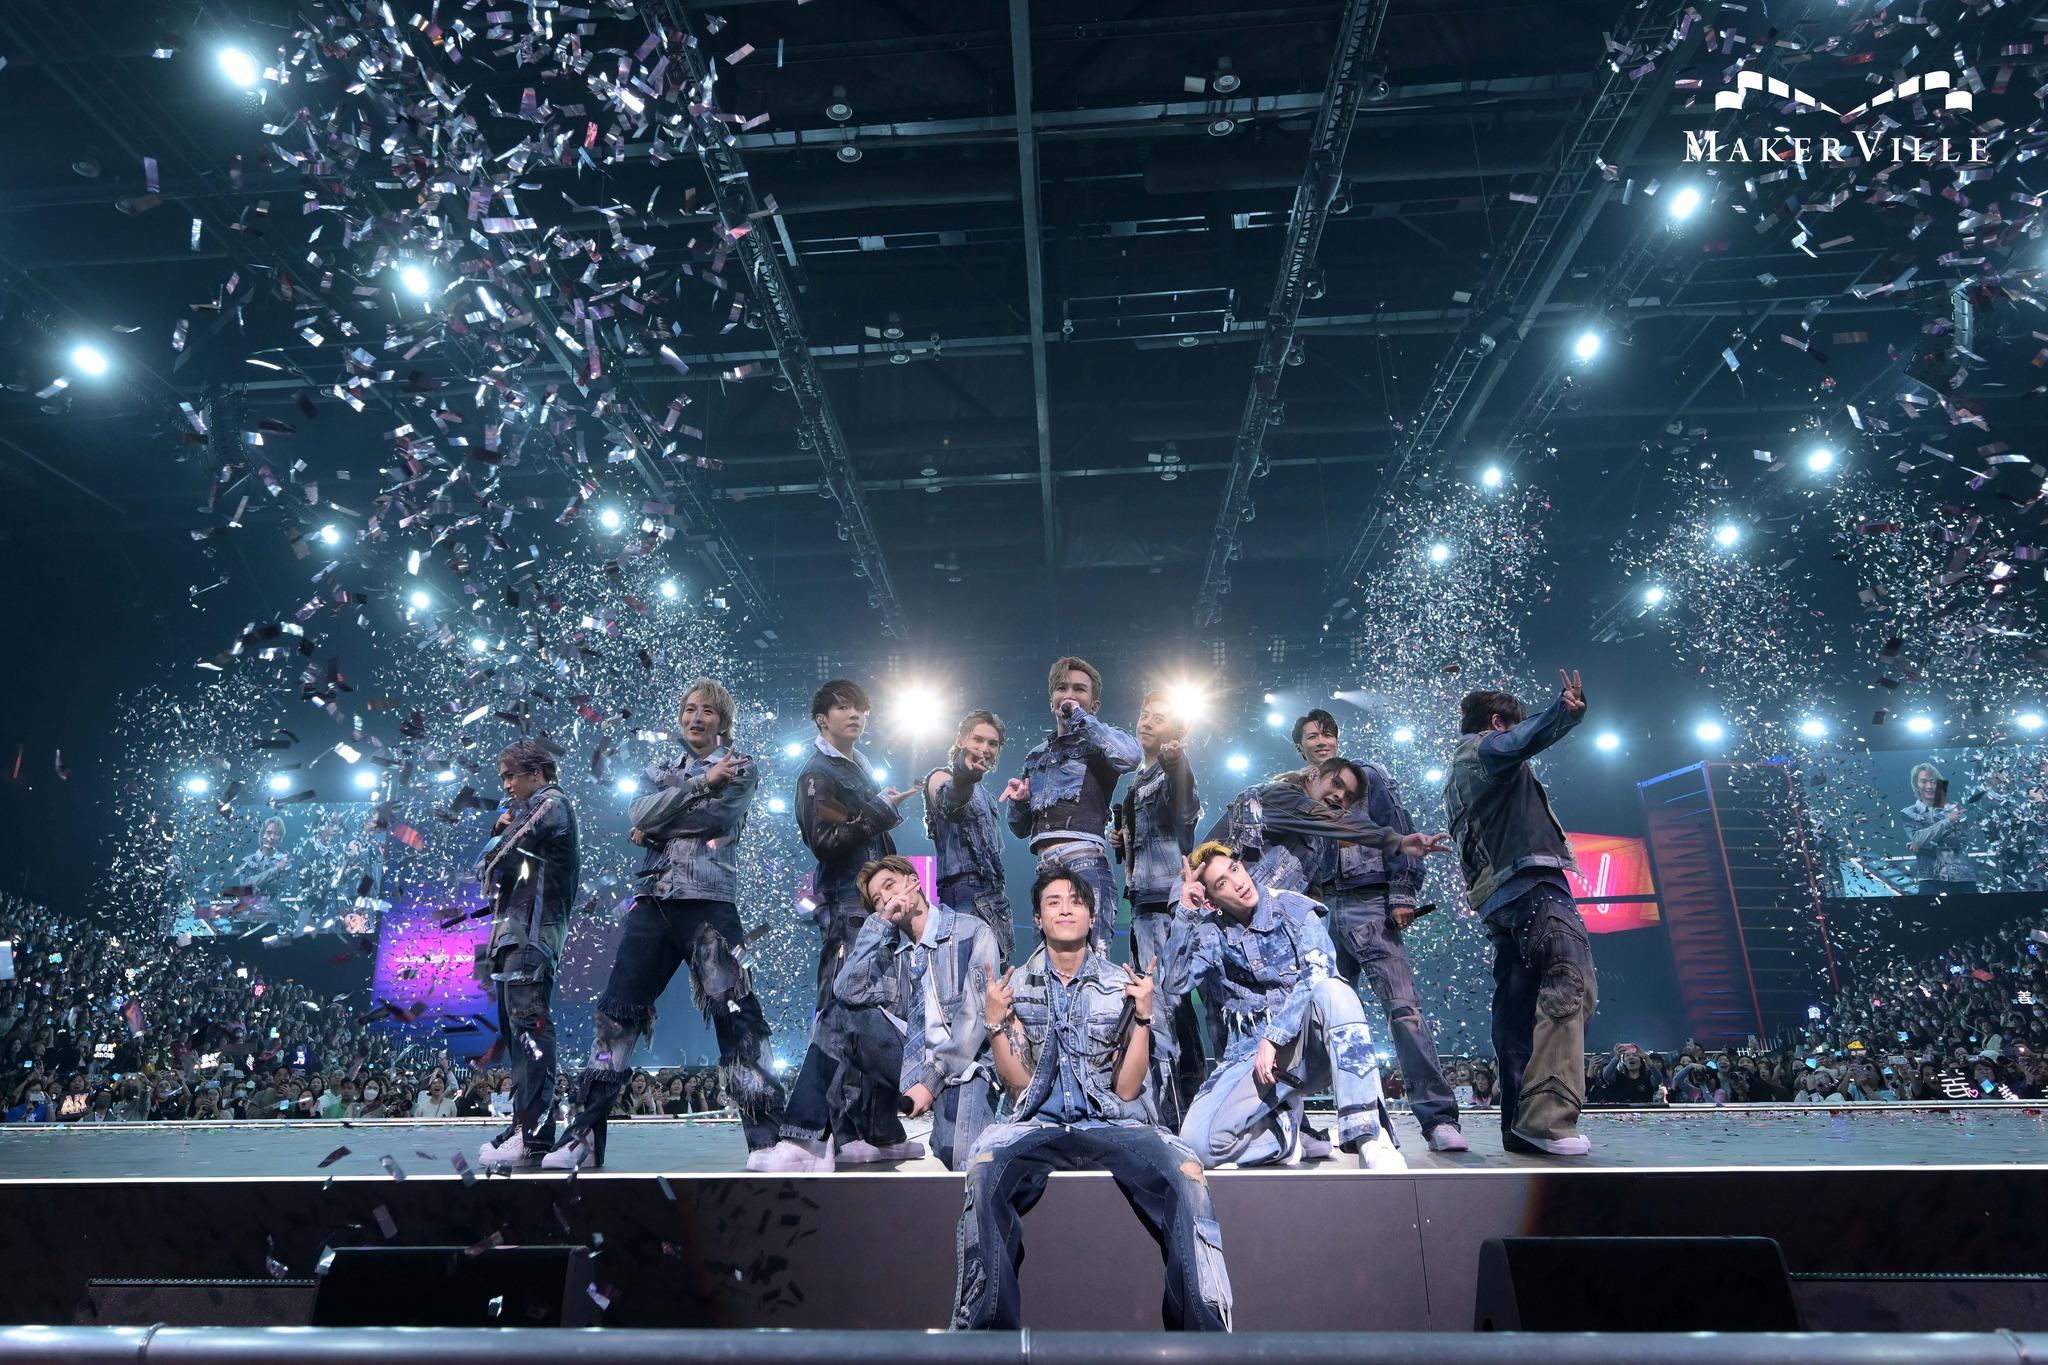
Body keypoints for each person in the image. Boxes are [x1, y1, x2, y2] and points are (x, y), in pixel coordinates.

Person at [952, 868, 1231, 1332]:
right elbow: (1019, 1087)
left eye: (1075, 901)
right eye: (1053, 902)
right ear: (1038, 918)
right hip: (1037, 1124)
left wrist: (1143, 1018)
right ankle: (983, 1340)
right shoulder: (1015, 986)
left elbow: (1126, 1090)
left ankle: (1206, 1338)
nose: (1065, 909)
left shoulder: (1121, 983)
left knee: (1187, 1171)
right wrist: (997, 1024)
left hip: (1109, 1122)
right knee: (981, 1170)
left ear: (1091, 914)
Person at [541, 679, 786, 1171]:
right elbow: (636, 811)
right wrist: (700, 784)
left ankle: (767, 1141)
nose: (696, 717)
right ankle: (584, 1137)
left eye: (708, 710)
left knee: (737, 1018)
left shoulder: (741, 766)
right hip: (653, 902)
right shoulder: (660, 767)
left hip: (710, 905)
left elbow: (714, 821)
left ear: (723, 722)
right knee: (615, 1016)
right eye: (689, 709)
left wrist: (657, 825)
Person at [751, 855, 1002, 1172]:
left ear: (913, 881)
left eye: (890, 886)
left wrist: (931, 1081)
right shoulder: (886, 947)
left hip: (961, 1065)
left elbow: (974, 1020)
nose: (887, 900)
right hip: (907, 1060)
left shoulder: (972, 932)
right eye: (878, 900)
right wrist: (878, 925)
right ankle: (805, 1143)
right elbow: (843, 991)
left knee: (958, 1154)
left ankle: (902, 1132)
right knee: (838, 1015)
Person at [1292, 708, 1467, 1154]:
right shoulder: (1297, 790)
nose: (1322, 741)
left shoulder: (1365, 777)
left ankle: (1438, 1119)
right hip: (1320, 913)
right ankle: (1362, 1125)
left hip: (1369, 904)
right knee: (1327, 1023)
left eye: (1328, 733)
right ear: (1300, 747)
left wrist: (1402, 894)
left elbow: (1399, 830)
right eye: (1312, 736)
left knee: (1403, 1011)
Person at [1171, 842, 1405, 1170]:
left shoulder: (1293, 909)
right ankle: (1285, 1136)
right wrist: (1185, 913)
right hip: (1251, 1058)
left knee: (1335, 991)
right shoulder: (1211, 932)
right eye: (1223, 883)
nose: (1238, 882)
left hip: (1309, 1049)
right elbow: (1174, 984)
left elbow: (1319, 972)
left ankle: (1369, 1136)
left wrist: (1274, 1037)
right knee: (1197, 1145)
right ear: (1211, 902)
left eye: (1235, 869)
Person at [1444, 671, 1599, 1157]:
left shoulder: (1457, 776)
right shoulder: (1483, 750)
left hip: (1502, 901)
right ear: (1497, 723)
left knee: (1518, 1008)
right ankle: (1546, 1121)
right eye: (1513, 724)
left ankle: (1519, 1125)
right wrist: (1562, 712)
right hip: (1533, 888)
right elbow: (1517, 742)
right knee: (1570, 984)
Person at [794, 678, 918, 1161]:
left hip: (872, 904)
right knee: (843, 1010)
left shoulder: (857, 767)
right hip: (847, 902)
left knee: (880, 1009)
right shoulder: (817, 773)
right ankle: (839, 1134)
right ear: (821, 718)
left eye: (861, 708)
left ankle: (878, 1130)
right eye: (844, 707)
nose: (855, 715)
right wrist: (879, 811)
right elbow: (824, 841)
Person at [470, 738, 578, 1165]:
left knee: (530, 1031)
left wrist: (500, 837)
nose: (505, 785)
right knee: (517, 1036)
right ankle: (525, 1126)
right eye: (502, 777)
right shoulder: (528, 813)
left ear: (537, 772)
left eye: (510, 775)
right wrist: (499, 838)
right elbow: (490, 875)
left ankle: (532, 1133)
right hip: (513, 936)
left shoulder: (551, 805)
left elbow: (492, 866)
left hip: (533, 935)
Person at [1002, 657, 1142, 957]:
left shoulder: (1099, 744)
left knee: (1092, 963)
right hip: (1045, 868)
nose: (1069, 695)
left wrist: (1079, 717)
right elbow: (1019, 829)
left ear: (1095, 704)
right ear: (1051, 699)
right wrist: (1020, 803)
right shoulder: (1036, 756)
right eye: (1062, 688)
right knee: (1047, 966)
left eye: (1079, 689)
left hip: (1085, 862)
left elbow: (1130, 757)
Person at [1114, 689, 1206, 1126]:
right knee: (1160, 1009)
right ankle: (1175, 1109)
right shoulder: (1135, 782)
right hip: (1141, 908)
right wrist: (1123, 840)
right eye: (1145, 714)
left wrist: (1177, 762)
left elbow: (1186, 809)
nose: (1147, 721)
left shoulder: (1172, 770)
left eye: (1159, 717)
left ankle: (1178, 1116)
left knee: (1169, 1011)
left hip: (1168, 906)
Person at [924, 710, 1015, 962]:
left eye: (992, 743)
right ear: (960, 740)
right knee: (962, 976)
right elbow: (951, 805)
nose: (984, 748)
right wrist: (964, 777)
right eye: (977, 739)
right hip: (962, 895)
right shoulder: (939, 777)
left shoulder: (987, 796)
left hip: (995, 902)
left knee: (992, 979)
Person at [1902, 762, 1980, 897]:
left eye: (1933, 781)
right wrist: (1948, 821)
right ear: (1916, 785)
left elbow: (1962, 840)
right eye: (1923, 781)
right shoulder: (1909, 812)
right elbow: (1918, 839)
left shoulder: (1954, 808)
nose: (1929, 786)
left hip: (1962, 875)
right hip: (1930, 877)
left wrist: (1924, 843)